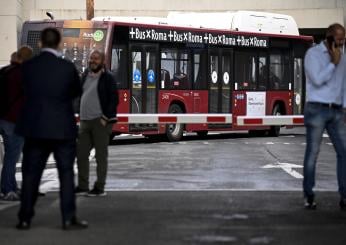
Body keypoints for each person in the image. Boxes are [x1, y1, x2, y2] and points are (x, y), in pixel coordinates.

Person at [15, 27, 87, 230]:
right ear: (59, 43)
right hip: (62, 128)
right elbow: (76, 92)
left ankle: (25, 218)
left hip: (35, 127)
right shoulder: (67, 67)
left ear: (40, 44)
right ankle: (67, 217)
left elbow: (22, 90)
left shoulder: (28, 67)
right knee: (65, 173)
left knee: (31, 174)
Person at [303, 23, 346, 210]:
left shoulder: (343, 57)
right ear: (329, 38)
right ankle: (309, 195)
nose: (342, 44)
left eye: (344, 40)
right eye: (339, 40)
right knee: (313, 153)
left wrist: (345, 108)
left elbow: (344, 85)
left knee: (344, 153)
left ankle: (344, 195)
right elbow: (317, 79)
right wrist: (332, 64)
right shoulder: (313, 55)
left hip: (336, 111)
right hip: (316, 109)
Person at [75, 49, 118, 197]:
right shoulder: (85, 75)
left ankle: (99, 187)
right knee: (81, 155)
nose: (93, 61)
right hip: (85, 121)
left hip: (100, 122)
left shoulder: (108, 78)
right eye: (91, 58)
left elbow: (114, 100)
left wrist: (105, 118)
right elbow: (80, 94)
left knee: (100, 156)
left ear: (103, 61)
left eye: (96, 59)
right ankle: (82, 186)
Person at [0, 47, 33, 201]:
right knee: (11, 158)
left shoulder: (4, 71)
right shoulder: (23, 74)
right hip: (15, 121)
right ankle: (7, 190)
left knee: (10, 156)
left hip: (3, 119)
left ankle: (11, 187)